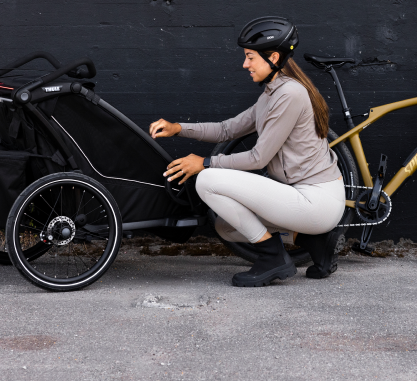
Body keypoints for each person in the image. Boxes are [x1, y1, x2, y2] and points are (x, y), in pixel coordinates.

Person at [148, 16, 346, 287]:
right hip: (301, 196)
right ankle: (313, 241)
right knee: (227, 227)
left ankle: (273, 258)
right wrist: (178, 128)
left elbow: (258, 158)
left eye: (250, 57)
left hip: (318, 200)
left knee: (206, 180)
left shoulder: (290, 94)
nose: (245, 64)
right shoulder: (272, 93)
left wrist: (204, 163)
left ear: (273, 57)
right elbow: (226, 129)